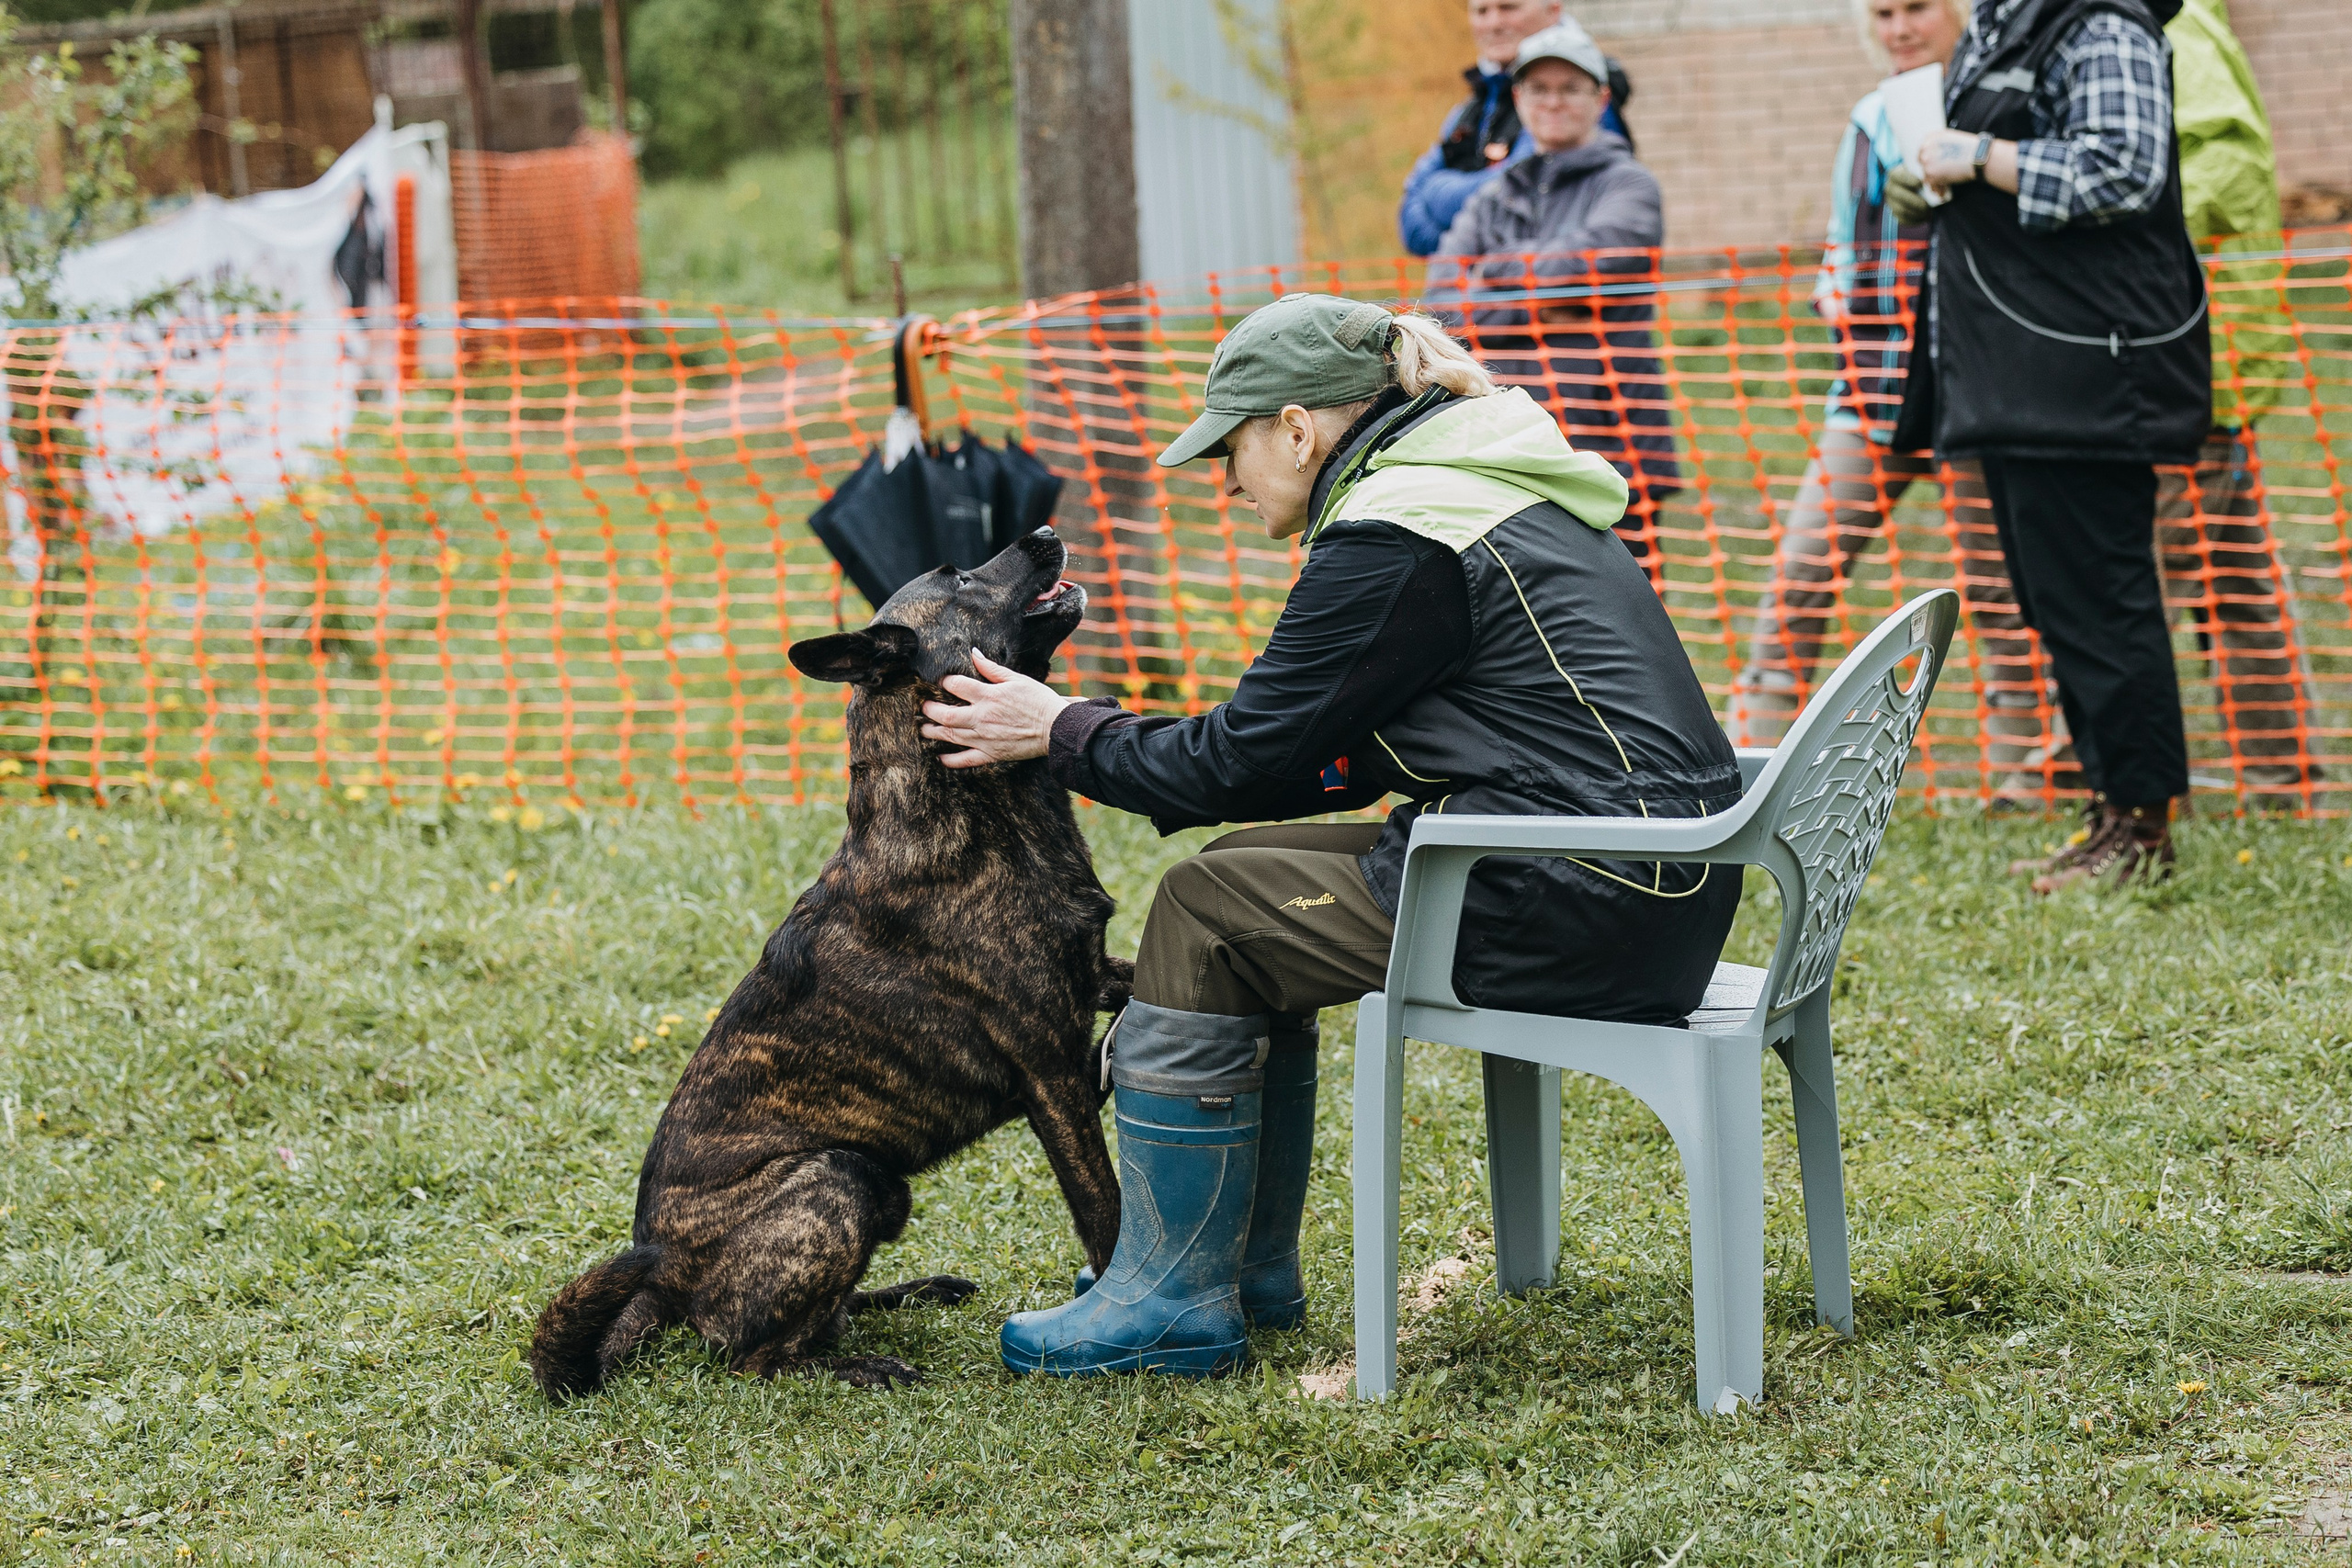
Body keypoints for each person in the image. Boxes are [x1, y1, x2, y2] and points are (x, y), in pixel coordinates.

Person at [921, 295, 1742, 1377]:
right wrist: (1129, 738)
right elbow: (1332, 740)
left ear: (1298, 429)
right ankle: (1237, 1272)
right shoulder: (1473, 484)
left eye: (1234, 446)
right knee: (1230, 876)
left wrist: (1059, 728)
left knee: (1206, 912)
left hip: (1584, 893)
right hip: (1645, 878)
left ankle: (1171, 1295)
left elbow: (1240, 759)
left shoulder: (1396, 534)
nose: (1225, 478)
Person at [1889, 0, 2211, 891]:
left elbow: (2122, 170)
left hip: (2087, 366)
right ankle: (2111, 807)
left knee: (2101, 599)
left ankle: (2143, 830)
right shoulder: (2004, 22)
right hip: (2014, 367)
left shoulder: (2101, 25)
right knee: (2059, 601)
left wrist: (1981, 158)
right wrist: (1928, 177)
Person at [1732, 0, 2040, 794]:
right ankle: (1740, 771)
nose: (1901, 28)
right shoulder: (1870, 119)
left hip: (1976, 392)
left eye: (1917, 11)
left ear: (1957, 15)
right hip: (1872, 393)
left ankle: (2027, 780)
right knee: (1800, 571)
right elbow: (1844, 235)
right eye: (1885, 13)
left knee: (2001, 592)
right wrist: (1837, 306)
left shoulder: (2000, 105)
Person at [1434, 21, 1679, 571]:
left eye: (1571, 87)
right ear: (1518, 98)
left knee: (1627, 614)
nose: (1554, 101)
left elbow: (1588, 267)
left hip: (1610, 437)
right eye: (1539, 89)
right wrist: (1547, 304)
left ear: (1601, 98)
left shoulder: (1630, 186)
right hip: (1508, 440)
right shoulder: (1492, 195)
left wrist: (1491, 281)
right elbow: (1441, 306)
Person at [2156, 0, 2317, 807]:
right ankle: (2285, 779)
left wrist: (2112, 224)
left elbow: (2224, 171)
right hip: (2204, 365)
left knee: (2140, 585)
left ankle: (2090, 777)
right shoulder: (2179, 28)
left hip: (2193, 369)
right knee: (2235, 580)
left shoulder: (2177, 36)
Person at [1396, 0, 1634, 257]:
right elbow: (1413, 227)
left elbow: (1533, 197)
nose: (1494, 24)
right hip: (1474, 291)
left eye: (1509, 8)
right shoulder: (1472, 108)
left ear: (1553, 10)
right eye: (1481, 11)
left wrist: (1437, 194)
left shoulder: (1574, 106)